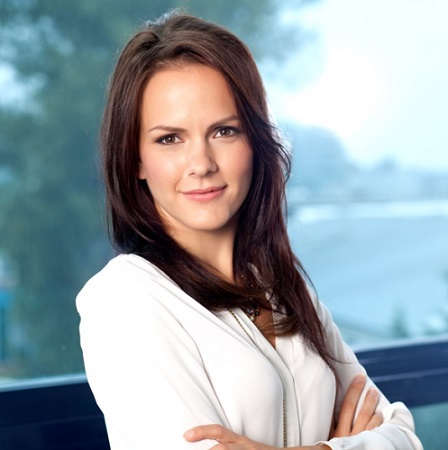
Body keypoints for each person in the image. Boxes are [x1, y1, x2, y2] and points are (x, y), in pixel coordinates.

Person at [76, 10, 422, 450]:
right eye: (170, 139)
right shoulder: (124, 300)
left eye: (224, 131)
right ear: (135, 158)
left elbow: (404, 435)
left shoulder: (283, 285)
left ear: (255, 142)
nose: (202, 164)